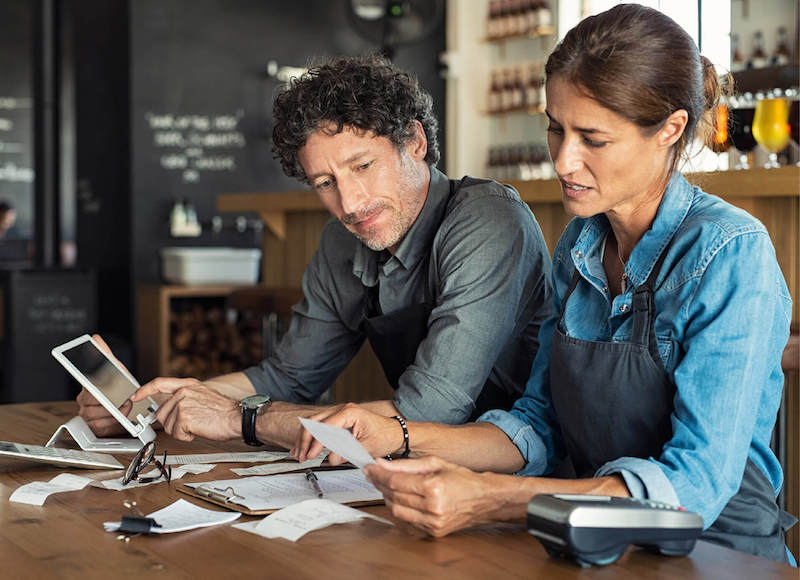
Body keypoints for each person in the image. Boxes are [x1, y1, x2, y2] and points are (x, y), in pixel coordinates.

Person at [293, 5, 796, 564]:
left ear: (670, 130)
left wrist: (496, 499)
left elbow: (695, 485)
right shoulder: (580, 246)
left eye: (593, 138)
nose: (562, 159)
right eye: (556, 128)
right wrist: (396, 434)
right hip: (593, 544)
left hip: (718, 556)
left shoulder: (729, 252)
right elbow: (539, 424)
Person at [77, 56, 553, 450]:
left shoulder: (488, 220)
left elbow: (427, 412)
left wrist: (242, 420)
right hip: (421, 473)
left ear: (415, 142)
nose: (349, 203)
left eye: (363, 166)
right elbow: (288, 376)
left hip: (521, 470)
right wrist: (155, 404)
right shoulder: (342, 240)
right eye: (325, 183)